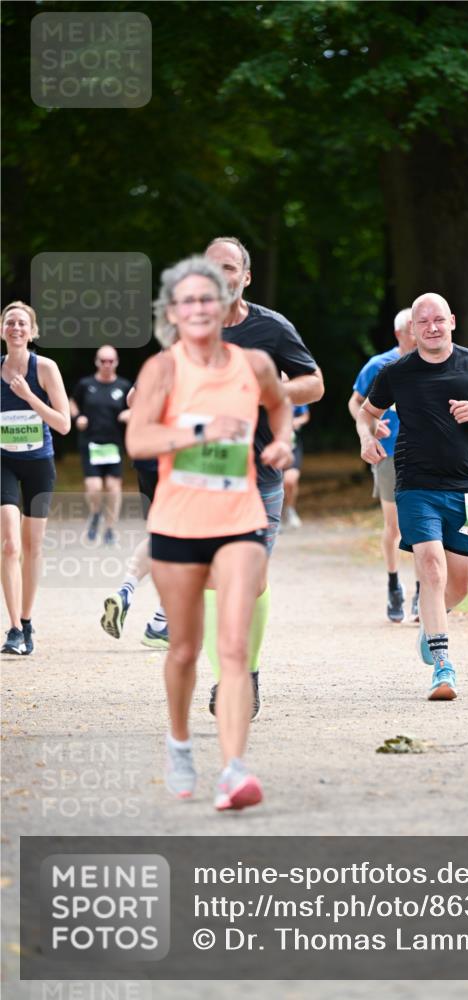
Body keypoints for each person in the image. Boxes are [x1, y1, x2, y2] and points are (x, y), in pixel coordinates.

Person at [126, 255, 293, 810]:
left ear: (225, 306)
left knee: (233, 647)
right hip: (177, 523)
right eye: (188, 300)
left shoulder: (255, 364)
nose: (199, 307)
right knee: (183, 650)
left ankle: (234, 770)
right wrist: (197, 430)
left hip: (240, 519)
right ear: (173, 312)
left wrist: (283, 441)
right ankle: (179, 743)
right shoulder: (163, 370)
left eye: (208, 298)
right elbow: (141, 443)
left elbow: (281, 403)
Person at [356, 293, 468, 701]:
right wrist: (366, 437)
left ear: (452, 321)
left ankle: (433, 624)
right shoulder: (397, 372)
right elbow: (366, 411)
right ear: (412, 329)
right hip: (414, 484)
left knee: (459, 584)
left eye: (438, 319)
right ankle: (444, 667)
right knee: (431, 566)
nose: (431, 326)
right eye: (422, 321)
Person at [203, 236, 324, 720]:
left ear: (245, 277)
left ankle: (246, 672)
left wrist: (267, 389)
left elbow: (315, 383)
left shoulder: (272, 329)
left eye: (229, 267)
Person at [1, 301, 71, 654]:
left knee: (32, 546)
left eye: (22, 323)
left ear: (32, 331)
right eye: (10, 322)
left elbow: (63, 423)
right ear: (2, 330)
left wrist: (28, 397)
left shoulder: (45, 368)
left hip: (39, 463)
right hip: (4, 464)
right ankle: (13, 628)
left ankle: (27, 619)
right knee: (10, 543)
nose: (16, 328)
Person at [348, 308, 419, 622]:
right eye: (412, 329)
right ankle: (394, 585)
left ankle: (422, 592)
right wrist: (370, 427)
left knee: (421, 525)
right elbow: (355, 403)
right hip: (388, 454)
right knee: (395, 526)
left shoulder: (430, 363)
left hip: (423, 454)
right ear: (399, 333)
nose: (419, 335)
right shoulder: (379, 365)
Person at [100, 386, 169, 649]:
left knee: (159, 533)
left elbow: (132, 398)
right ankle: (160, 625)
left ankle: (125, 591)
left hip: (147, 457)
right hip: (175, 457)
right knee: (185, 539)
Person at [69, 346, 131, 545]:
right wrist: (78, 417)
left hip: (114, 443)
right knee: (94, 486)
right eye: (103, 361)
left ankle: (110, 528)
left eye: (110, 361)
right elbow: (72, 402)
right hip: (91, 442)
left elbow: (137, 407)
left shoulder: (123, 386)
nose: (106, 364)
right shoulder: (86, 384)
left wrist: (127, 414)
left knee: (113, 487)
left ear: (117, 362)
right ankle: (95, 514)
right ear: (96, 362)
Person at [282, 402, 310, 529]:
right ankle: (275, 514)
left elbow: (305, 416)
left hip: (292, 444)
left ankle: (290, 509)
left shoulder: (295, 394)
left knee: (290, 480)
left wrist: (295, 421)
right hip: (271, 443)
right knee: (276, 481)